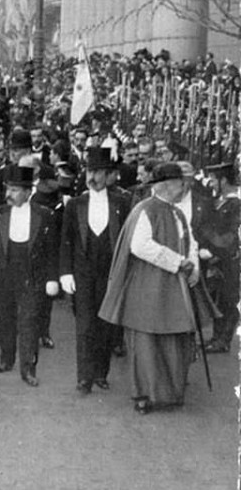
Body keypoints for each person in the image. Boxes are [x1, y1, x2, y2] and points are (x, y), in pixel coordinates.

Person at [98, 162, 201, 414]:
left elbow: (190, 242)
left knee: (172, 338)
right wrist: (177, 262)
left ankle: (169, 393)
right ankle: (144, 394)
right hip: (147, 286)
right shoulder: (144, 210)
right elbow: (140, 246)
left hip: (173, 285)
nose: (184, 187)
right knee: (146, 342)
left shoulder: (177, 213)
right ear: (166, 185)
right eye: (180, 182)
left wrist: (193, 265)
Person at [0, 165, 59, 387]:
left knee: (29, 322)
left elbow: (52, 250)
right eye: (7, 189)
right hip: (3, 274)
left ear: (27, 192)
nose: (8, 195)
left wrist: (53, 278)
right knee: (5, 320)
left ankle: (28, 368)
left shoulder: (45, 215)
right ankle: (6, 358)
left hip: (32, 276)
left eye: (14, 190)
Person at [58, 147, 133, 394]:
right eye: (90, 171)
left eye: (99, 172)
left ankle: (101, 372)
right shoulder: (75, 205)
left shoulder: (121, 203)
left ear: (108, 174)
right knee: (85, 326)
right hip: (82, 273)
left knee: (106, 326)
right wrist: (65, 272)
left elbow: (126, 242)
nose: (93, 177)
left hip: (110, 274)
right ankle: (84, 377)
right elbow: (66, 241)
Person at [202, 162, 239, 353]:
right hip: (218, 260)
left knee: (228, 299)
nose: (211, 183)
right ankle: (216, 337)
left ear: (224, 180)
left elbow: (232, 236)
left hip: (231, 261)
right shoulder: (219, 201)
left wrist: (213, 247)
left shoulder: (236, 204)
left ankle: (223, 340)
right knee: (216, 298)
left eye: (215, 179)